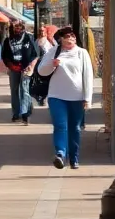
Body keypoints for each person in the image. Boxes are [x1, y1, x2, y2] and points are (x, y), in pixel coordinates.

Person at [37, 25, 93, 169]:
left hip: (77, 97)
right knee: (60, 126)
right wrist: (52, 64)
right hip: (57, 96)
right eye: (67, 37)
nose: (71, 39)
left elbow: (88, 76)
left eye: (73, 36)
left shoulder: (82, 53)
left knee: (75, 128)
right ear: (61, 39)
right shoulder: (53, 52)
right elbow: (41, 71)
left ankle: (74, 158)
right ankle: (60, 153)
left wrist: (87, 98)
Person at [1, 20, 40, 125]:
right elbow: (4, 55)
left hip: (26, 68)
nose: (17, 29)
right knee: (14, 90)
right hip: (13, 68)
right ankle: (16, 113)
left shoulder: (29, 38)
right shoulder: (8, 40)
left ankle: (25, 114)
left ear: (23, 27)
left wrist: (31, 67)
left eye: (19, 27)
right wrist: (10, 65)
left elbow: (36, 54)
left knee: (24, 90)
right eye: (15, 27)